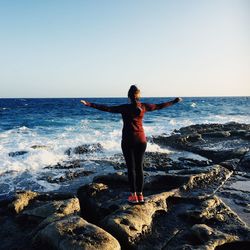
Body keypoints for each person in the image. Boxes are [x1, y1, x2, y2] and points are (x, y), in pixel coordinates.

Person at [80, 85, 182, 204]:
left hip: (128, 140)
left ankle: (133, 196)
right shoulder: (143, 107)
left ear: (128, 96)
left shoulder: (124, 108)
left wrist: (89, 104)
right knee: (139, 168)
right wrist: (175, 101)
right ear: (139, 96)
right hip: (141, 140)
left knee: (131, 169)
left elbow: (107, 108)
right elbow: (160, 106)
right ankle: (140, 196)